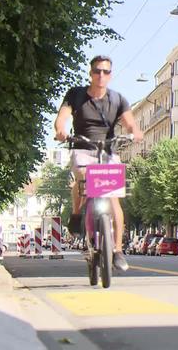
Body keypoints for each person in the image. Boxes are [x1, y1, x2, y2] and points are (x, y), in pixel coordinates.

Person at [54, 55, 143, 271]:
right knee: (84, 178)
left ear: (110, 75)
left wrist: (135, 132)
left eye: (105, 72)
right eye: (97, 71)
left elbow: (130, 123)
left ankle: (118, 250)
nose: (101, 75)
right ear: (90, 73)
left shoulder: (118, 99)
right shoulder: (76, 95)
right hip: (82, 147)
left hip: (108, 150)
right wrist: (61, 131)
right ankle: (77, 214)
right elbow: (62, 117)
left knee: (114, 201)